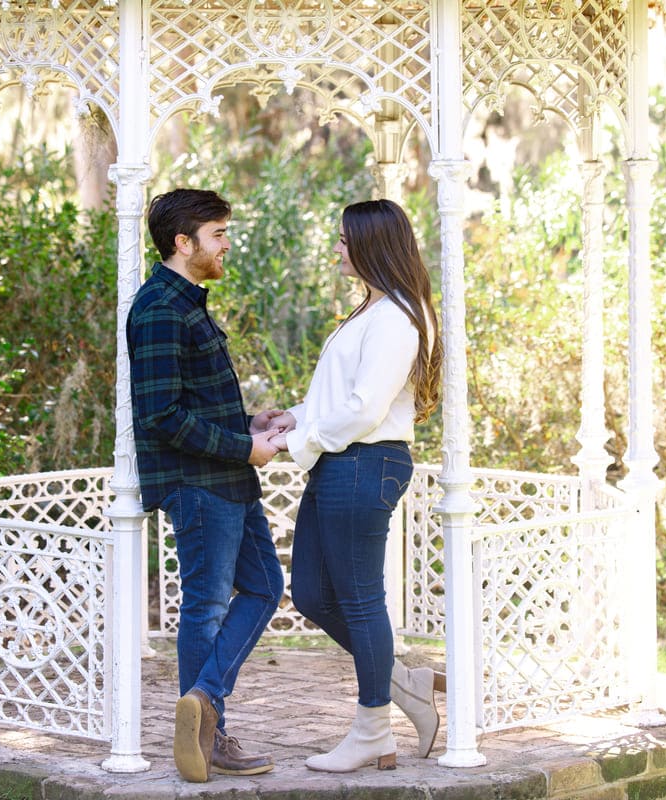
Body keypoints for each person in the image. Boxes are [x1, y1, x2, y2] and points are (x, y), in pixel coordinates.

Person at [268, 199, 445, 772]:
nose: (337, 249)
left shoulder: (397, 316)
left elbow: (367, 409)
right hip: (341, 460)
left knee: (362, 598)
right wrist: (294, 418)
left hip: (366, 462)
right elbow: (343, 398)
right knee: (314, 593)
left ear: (372, 244)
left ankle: (373, 730)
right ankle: (404, 683)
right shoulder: (372, 311)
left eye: (344, 240)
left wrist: (299, 442)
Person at [127, 188, 285, 783]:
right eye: (218, 234)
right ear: (182, 243)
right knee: (207, 605)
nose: (226, 245)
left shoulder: (188, 304)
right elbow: (162, 415)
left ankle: (205, 700)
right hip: (200, 485)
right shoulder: (160, 309)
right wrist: (245, 447)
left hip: (228, 479)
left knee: (265, 586)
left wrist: (252, 425)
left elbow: (193, 406)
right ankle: (205, 735)